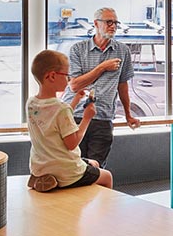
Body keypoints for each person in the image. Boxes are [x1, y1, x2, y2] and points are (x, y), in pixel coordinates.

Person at [26, 50, 113, 193]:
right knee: (107, 176)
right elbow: (72, 144)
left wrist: (75, 101)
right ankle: (100, 213)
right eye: (66, 75)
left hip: (42, 166)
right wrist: (87, 118)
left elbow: (54, 118)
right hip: (66, 171)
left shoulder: (32, 103)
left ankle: (42, 179)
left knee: (94, 163)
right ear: (52, 76)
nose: (69, 79)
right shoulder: (61, 108)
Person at [65, 7, 140, 166]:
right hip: (75, 116)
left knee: (96, 169)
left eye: (115, 23)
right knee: (73, 167)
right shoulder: (78, 49)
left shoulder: (122, 50)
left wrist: (128, 114)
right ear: (96, 24)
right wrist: (102, 67)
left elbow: (123, 85)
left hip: (103, 118)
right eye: (109, 22)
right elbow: (74, 85)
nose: (113, 26)